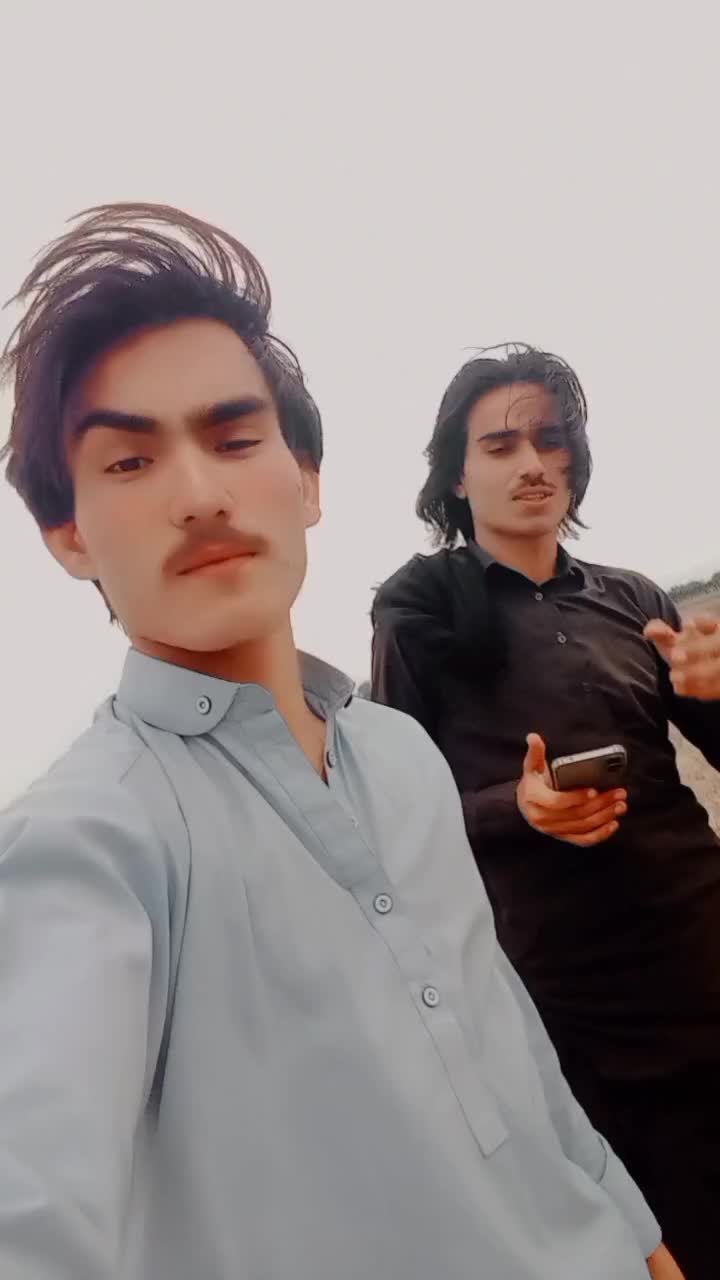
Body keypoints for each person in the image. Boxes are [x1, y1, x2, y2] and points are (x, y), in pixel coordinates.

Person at [0, 217, 679, 1280]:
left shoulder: (397, 753)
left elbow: (502, 1029)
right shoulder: (87, 845)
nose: (200, 493)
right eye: (129, 459)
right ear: (68, 533)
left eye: (235, 439)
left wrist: (635, 1232)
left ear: (308, 481)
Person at [371, 343, 720, 1279]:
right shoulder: (418, 609)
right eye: (500, 445)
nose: (532, 463)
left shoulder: (633, 598)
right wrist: (515, 807)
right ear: (457, 474)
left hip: (701, 947)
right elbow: (396, 806)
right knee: (663, 1237)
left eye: (550, 440)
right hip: (570, 1003)